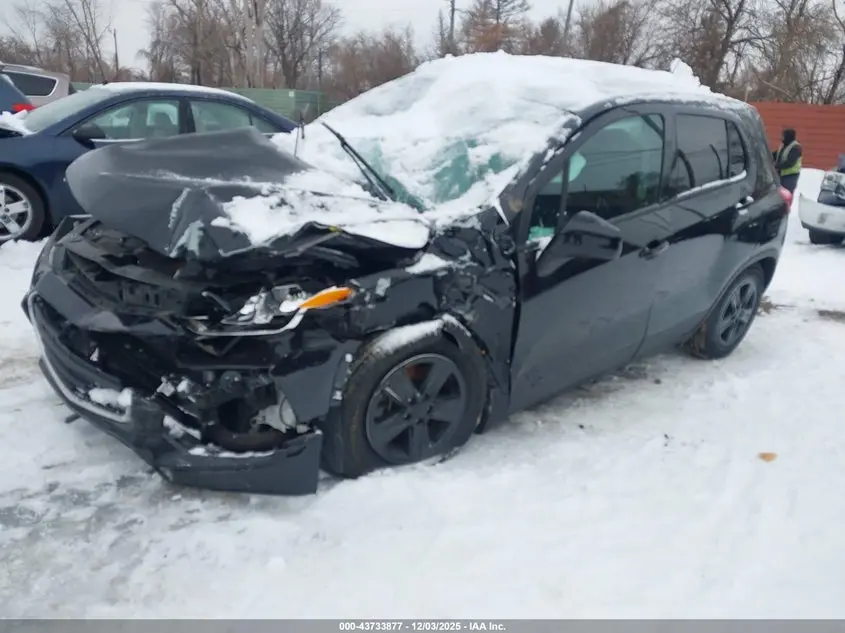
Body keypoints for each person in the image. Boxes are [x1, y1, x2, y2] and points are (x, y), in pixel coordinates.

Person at [772, 128, 802, 193]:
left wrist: (775, 166)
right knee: (779, 194)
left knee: (787, 194)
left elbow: (790, 163)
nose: (781, 137)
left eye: (783, 136)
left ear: (788, 137)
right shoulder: (784, 145)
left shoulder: (795, 147)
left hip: (790, 176)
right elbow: (776, 155)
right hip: (781, 175)